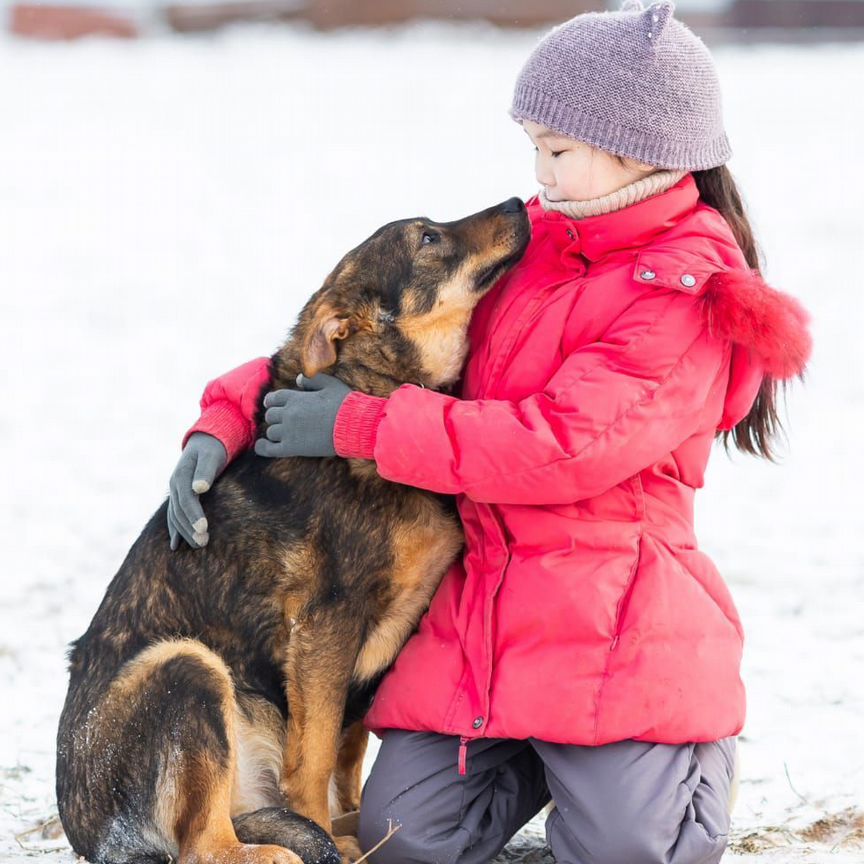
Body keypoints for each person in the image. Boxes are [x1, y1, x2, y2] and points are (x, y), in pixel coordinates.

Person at [166, 2, 812, 862]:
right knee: (402, 844)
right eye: (535, 147)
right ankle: (553, 761)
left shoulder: (682, 293)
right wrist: (231, 416)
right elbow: (374, 339)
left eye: (556, 150)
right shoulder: (540, 247)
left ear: (641, 151)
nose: (535, 173)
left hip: (613, 623)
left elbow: (560, 446)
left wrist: (362, 426)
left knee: (624, 851)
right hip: (482, 616)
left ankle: (683, 770)